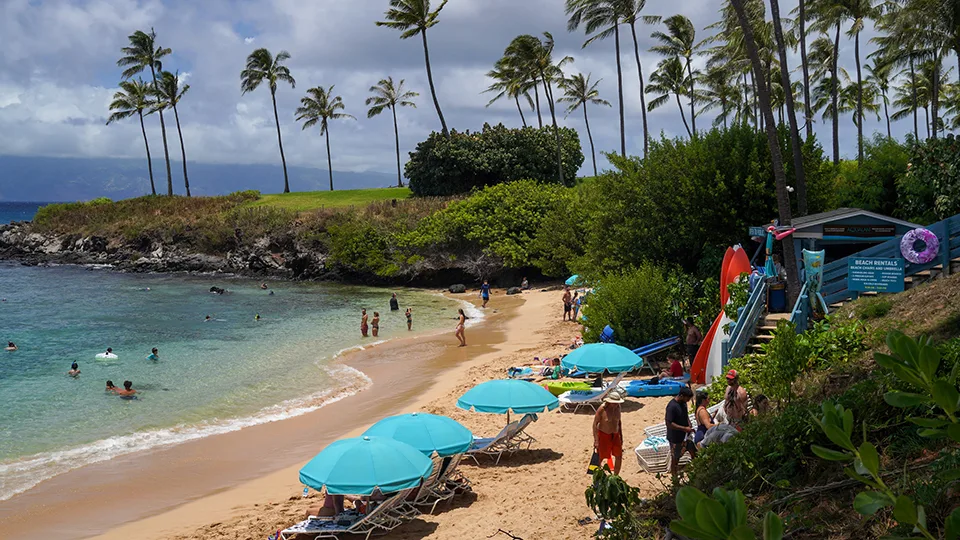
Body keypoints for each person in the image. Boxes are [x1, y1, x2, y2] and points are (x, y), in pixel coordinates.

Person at [666, 387, 697, 477]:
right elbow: (669, 423)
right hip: (675, 437)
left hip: (686, 436)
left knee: (694, 452)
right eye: (687, 398)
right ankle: (674, 478)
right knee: (676, 459)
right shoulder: (671, 407)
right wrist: (684, 428)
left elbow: (685, 415)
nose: (688, 401)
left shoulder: (683, 403)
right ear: (681, 396)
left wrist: (689, 424)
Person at [593, 388, 625, 474]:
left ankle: (616, 476)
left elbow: (619, 422)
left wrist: (621, 436)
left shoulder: (618, 407)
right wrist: (596, 440)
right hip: (604, 434)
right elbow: (595, 424)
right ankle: (597, 476)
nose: (615, 404)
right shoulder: (602, 409)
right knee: (600, 457)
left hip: (615, 434)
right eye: (614, 403)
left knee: (619, 456)